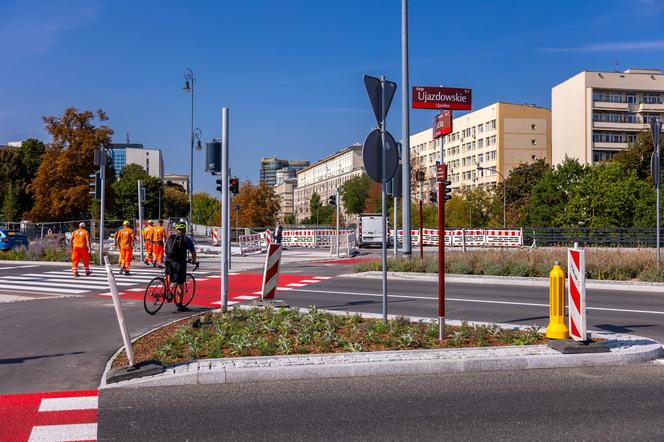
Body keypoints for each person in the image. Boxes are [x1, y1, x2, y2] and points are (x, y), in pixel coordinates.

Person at [164, 222, 197, 311]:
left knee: (168, 274)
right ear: (185, 230)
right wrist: (194, 261)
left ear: (176, 230)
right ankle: (180, 305)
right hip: (179, 263)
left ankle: (167, 291)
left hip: (168, 260)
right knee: (180, 284)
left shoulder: (170, 237)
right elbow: (193, 252)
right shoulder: (187, 239)